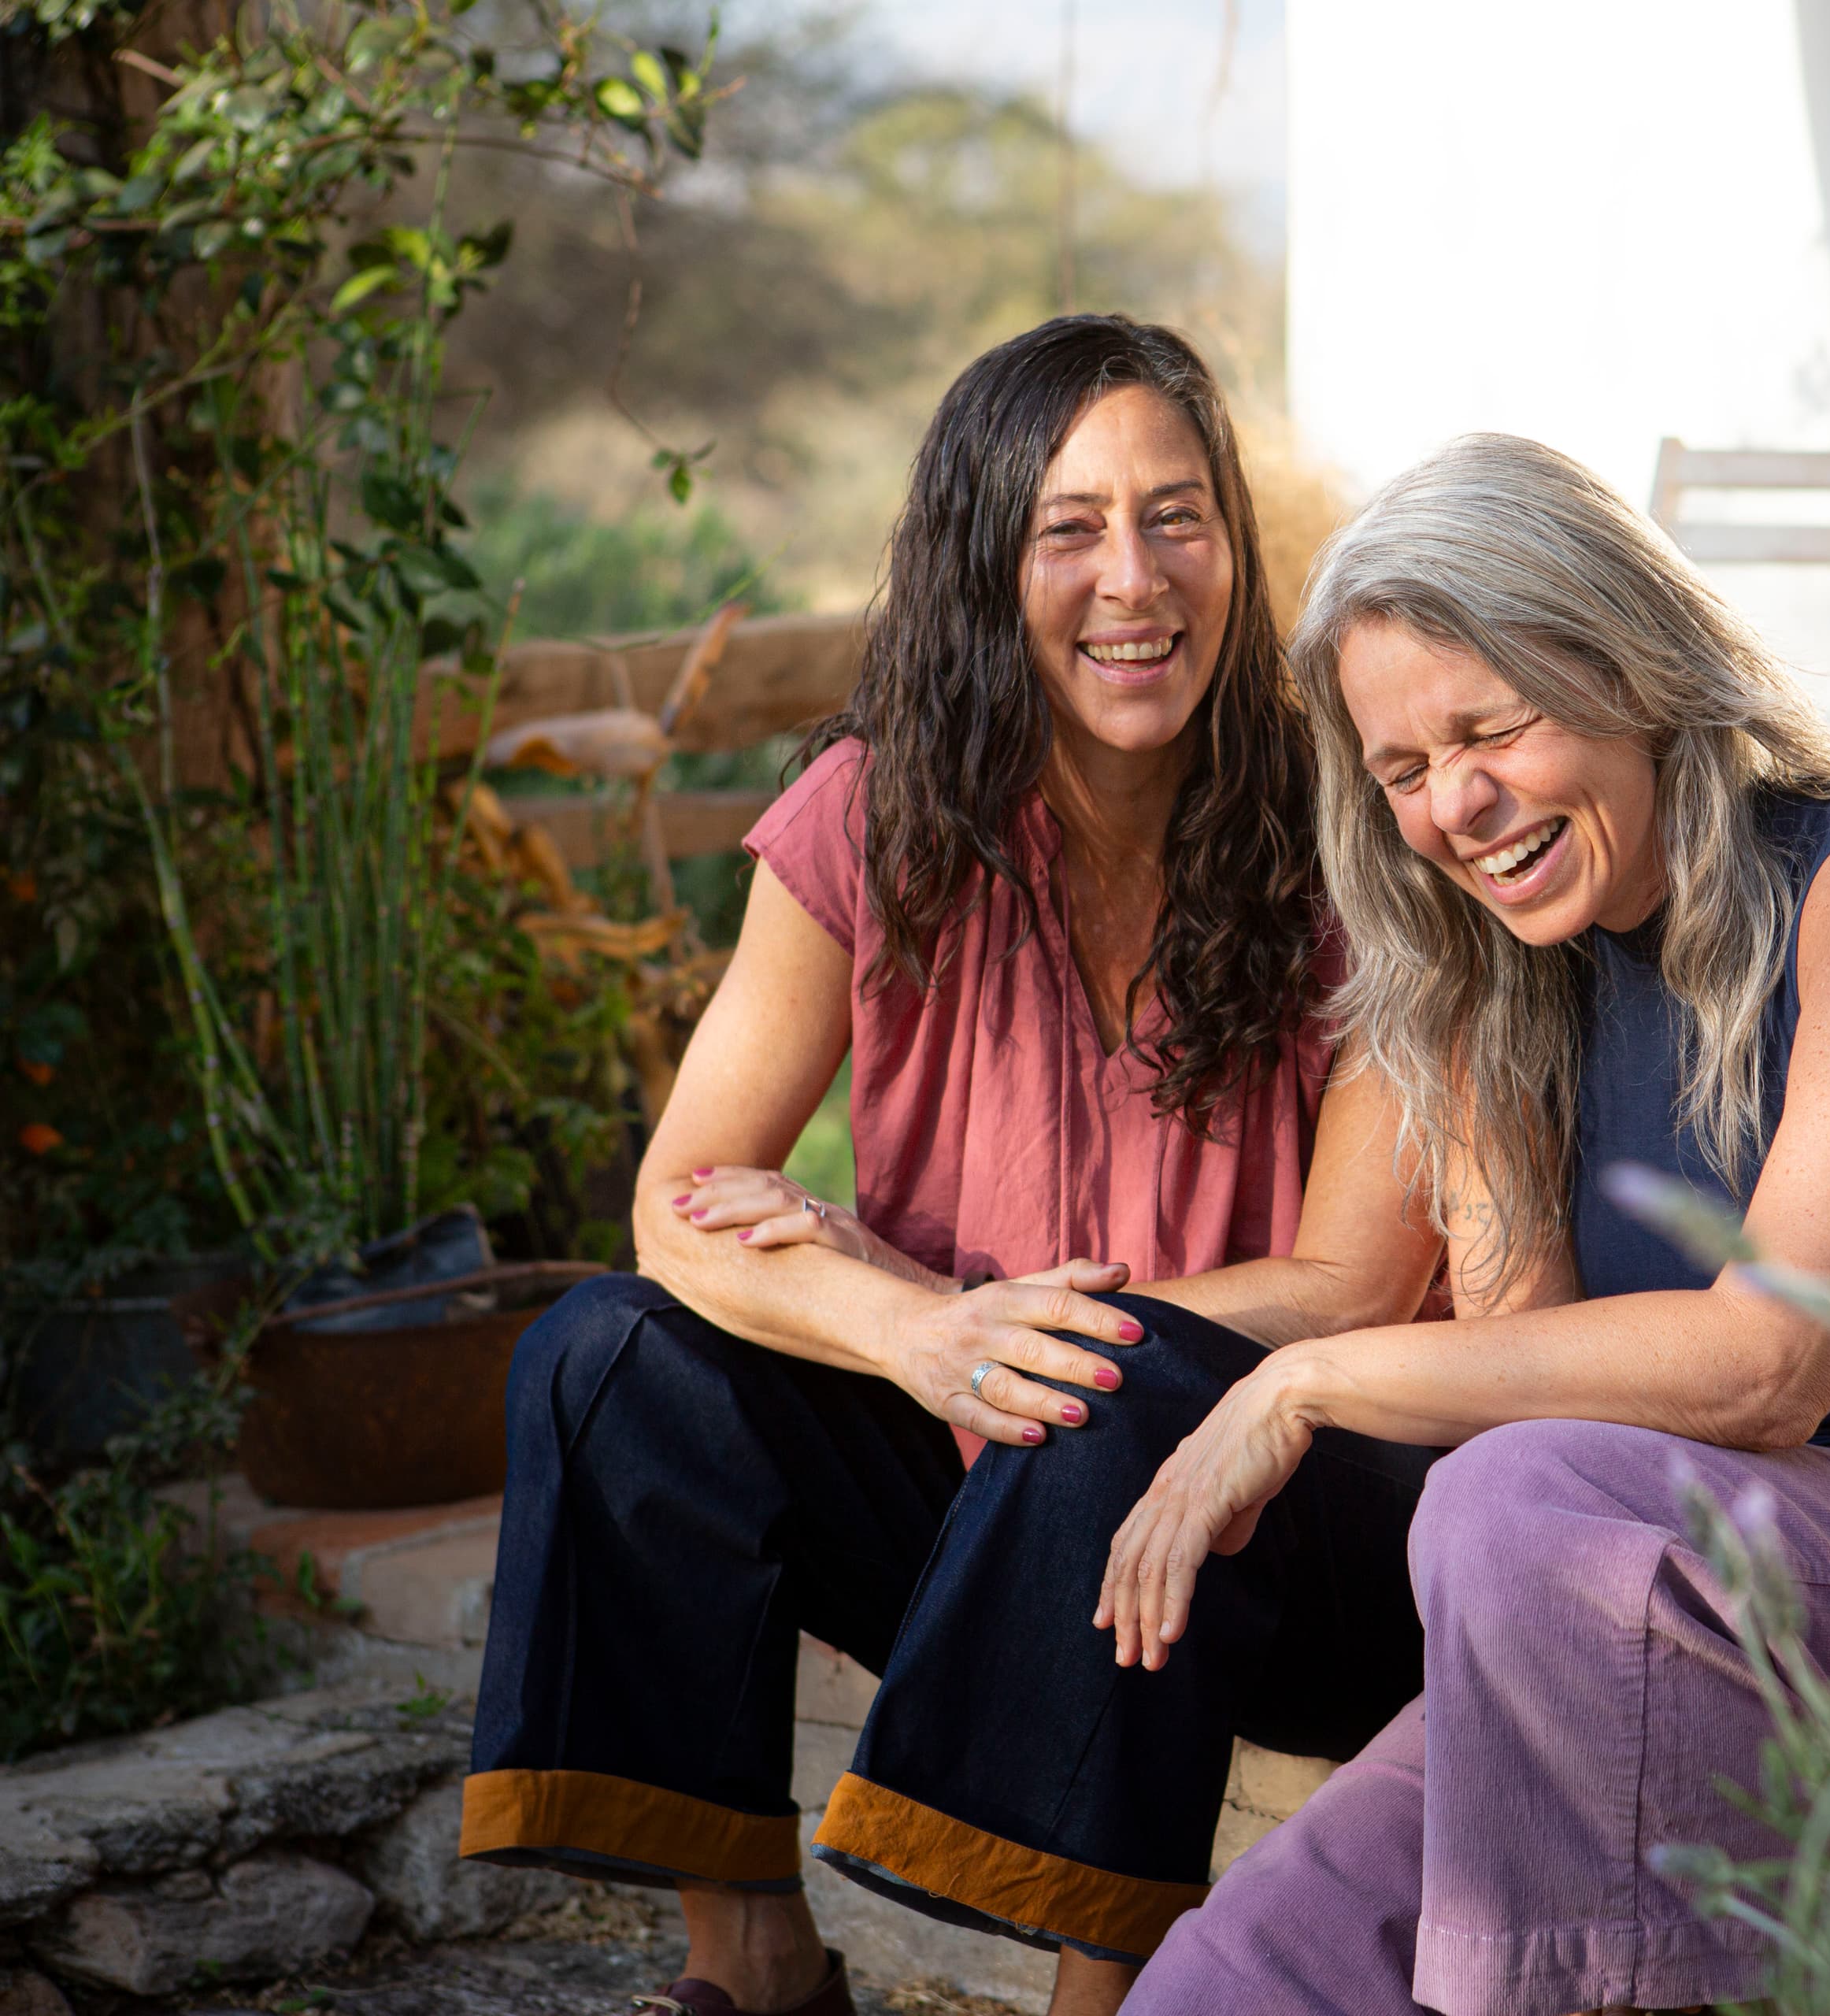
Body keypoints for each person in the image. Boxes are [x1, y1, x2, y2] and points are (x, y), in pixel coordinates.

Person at [1075, 432, 1830, 2016]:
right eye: (1400, 771)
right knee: (1234, 1983)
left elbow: (1768, 1362)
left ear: (1631, 661)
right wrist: (1479, 1075)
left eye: (1492, 726)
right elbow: (1536, 1378)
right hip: (1694, 1603)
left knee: (1521, 1503)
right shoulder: (1519, 975)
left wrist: (1306, 1378)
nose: (1454, 802)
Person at [458, 317, 1441, 2016]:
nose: (1132, 577)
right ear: (986, 559)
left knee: (1124, 1378)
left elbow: (1355, 1281)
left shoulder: (1349, 827)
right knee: (610, 1352)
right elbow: (680, 1198)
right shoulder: (873, 808)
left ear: (1234, 542)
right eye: (1070, 526)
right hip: (988, 1446)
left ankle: (1103, 1998)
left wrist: (994, 1330)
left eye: (1176, 514)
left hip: (1295, 1518)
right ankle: (753, 1964)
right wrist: (916, 1332)